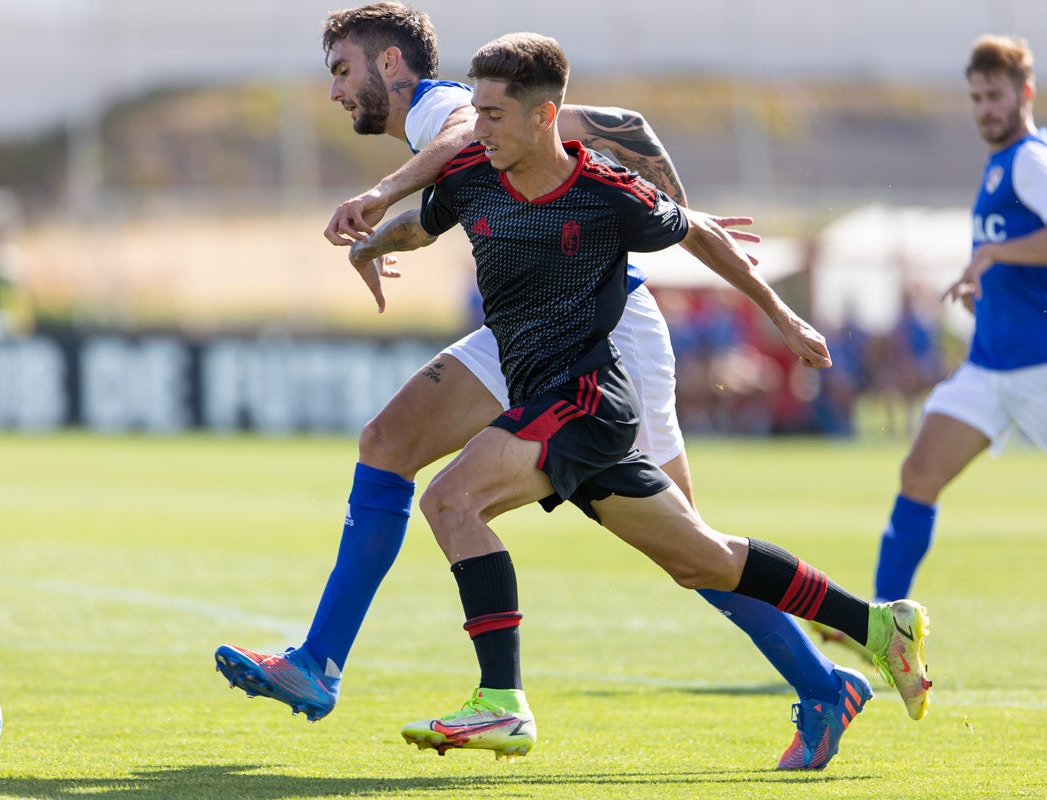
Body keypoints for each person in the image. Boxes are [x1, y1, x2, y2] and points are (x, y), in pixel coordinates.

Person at [218, 3, 867, 770]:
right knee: (387, 443)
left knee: (689, 547)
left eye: (341, 71)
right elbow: (605, 128)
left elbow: (469, 142)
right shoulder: (476, 119)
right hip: (524, 329)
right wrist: (375, 244)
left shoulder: (443, 110)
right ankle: (319, 664)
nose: (333, 92)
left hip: (606, 331)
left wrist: (382, 194)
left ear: (391, 67)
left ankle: (827, 680)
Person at [867, 34, 1047, 608]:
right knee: (918, 475)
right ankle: (885, 627)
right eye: (976, 97)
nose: (985, 109)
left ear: (1024, 93)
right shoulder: (999, 164)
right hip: (989, 366)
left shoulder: (1032, 159)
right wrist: (988, 282)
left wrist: (992, 257)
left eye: (995, 96)